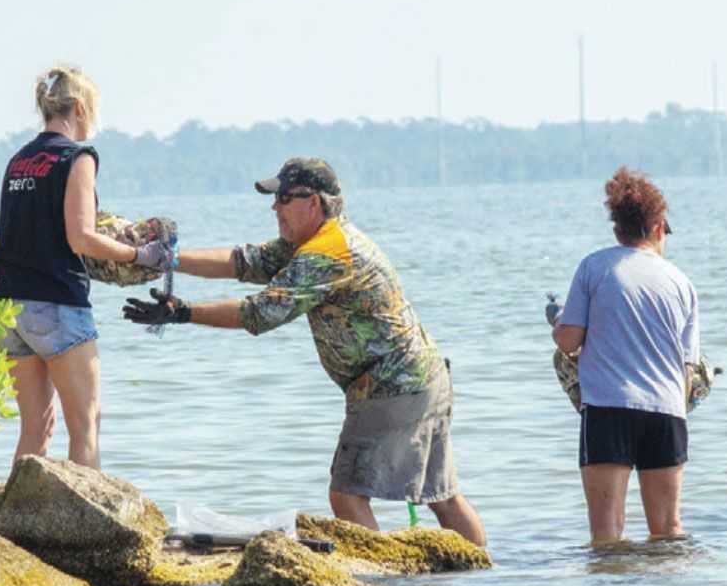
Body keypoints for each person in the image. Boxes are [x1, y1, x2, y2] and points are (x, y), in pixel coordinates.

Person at [121, 157, 486, 546]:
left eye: (282, 198)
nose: (274, 208)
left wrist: (183, 313)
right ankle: (480, 576)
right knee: (442, 497)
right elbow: (245, 261)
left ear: (312, 203)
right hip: (423, 378)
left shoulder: (326, 253)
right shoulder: (317, 241)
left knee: (346, 495)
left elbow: (261, 312)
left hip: (391, 386)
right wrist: (166, 260)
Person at [0, 66, 171, 469]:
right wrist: (138, 257)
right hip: (56, 303)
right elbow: (82, 238)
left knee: (35, 430)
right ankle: (87, 527)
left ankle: (15, 524)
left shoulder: (19, 160)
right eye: (95, 109)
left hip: (7, 308)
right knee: (85, 425)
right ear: (77, 107)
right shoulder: (78, 157)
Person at [552, 166, 698, 544]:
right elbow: (688, 368)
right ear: (658, 227)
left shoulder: (594, 267)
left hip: (608, 409)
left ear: (617, 229)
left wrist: (557, 324)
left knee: (607, 533)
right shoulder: (681, 283)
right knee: (668, 530)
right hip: (666, 412)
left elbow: (569, 342)